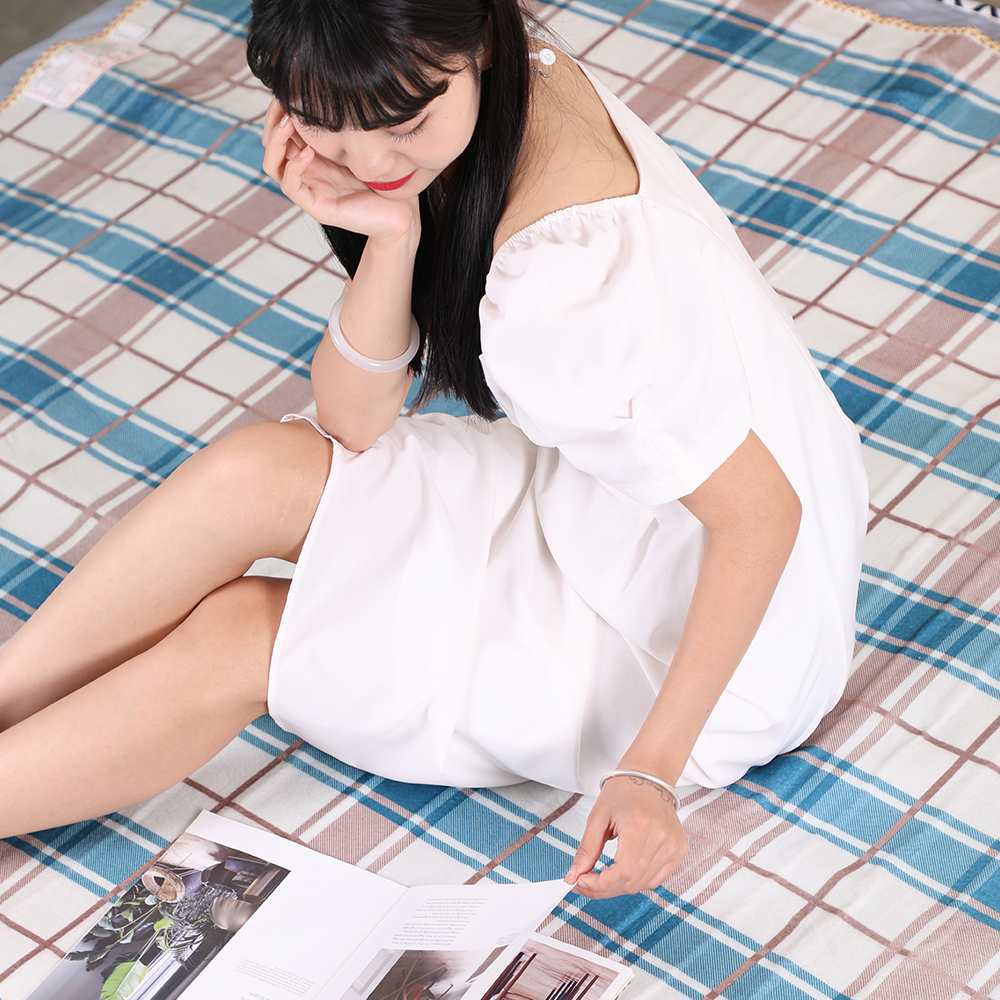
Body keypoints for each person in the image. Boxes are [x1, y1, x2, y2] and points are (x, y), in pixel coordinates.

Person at [0, 0, 867, 898]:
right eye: (324, 126)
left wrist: (650, 772)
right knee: (256, 472)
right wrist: (390, 233)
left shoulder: (562, 279)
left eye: (404, 125)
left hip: (701, 635)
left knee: (244, 636)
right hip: (614, 508)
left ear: (477, 41)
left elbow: (763, 514)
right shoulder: (514, 72)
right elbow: (352, 420)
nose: (372, 165)